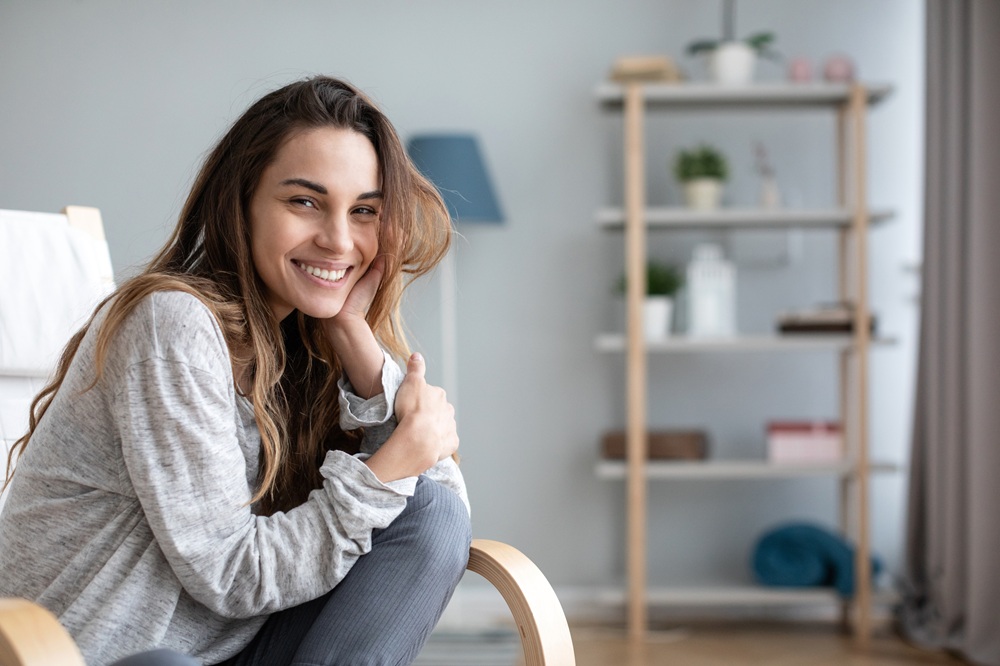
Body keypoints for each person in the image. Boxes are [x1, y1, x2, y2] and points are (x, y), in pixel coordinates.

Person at [0, 76, 471, 666]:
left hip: (232, 650)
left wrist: (355, 337)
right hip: (99, 656)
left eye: (364, 211)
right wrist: (391, 466)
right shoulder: (172, 324)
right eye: (305, 201)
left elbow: (436, 514)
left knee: (431, 515)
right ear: (241, 202)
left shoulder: (308, 345)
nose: (338, 239)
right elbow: (230, 574)